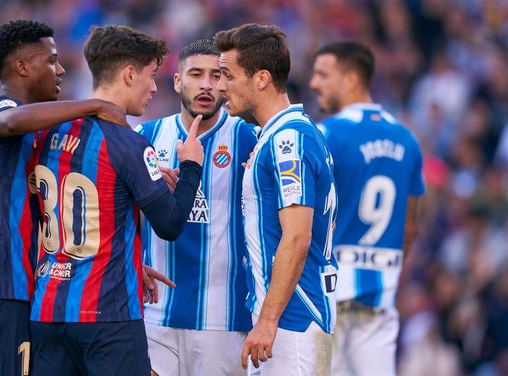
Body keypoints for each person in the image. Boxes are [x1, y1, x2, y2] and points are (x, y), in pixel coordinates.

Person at [0, 19, 132, 376]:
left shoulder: (36, 134)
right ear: (23, 67)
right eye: (52, 60)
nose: (61, 70)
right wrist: (93, 105)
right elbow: (10, 122)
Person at [28, 25, 205, 376]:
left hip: (46, 312)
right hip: (107, 317)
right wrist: (190, 168)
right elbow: (169, 224)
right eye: (151, 76)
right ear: (128, 74)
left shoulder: (48, 133)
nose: (154, 87)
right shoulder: (128, 143)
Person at [214, 23, 339, 375]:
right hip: (282, 317)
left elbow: (297, 236)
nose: (221, 86)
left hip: (294, 320)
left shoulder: (288, 143)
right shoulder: (279, 137)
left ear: (261, 78)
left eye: (227, 75)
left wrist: (268, 320)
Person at [135, 38, 257, 375]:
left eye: (216, 75)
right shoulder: (144, 137)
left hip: (222, 320)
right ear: (177, 81)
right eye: (196, 74)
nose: (206, 84)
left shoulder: (250, 140)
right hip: (155, 316)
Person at [309, 41, 425, 376]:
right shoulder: (407, 139)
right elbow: (409, 228)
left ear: (351, 79)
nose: (315, 83)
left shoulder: (326, 134)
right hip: (380, 292)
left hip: (329, 297)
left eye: (323, 75)